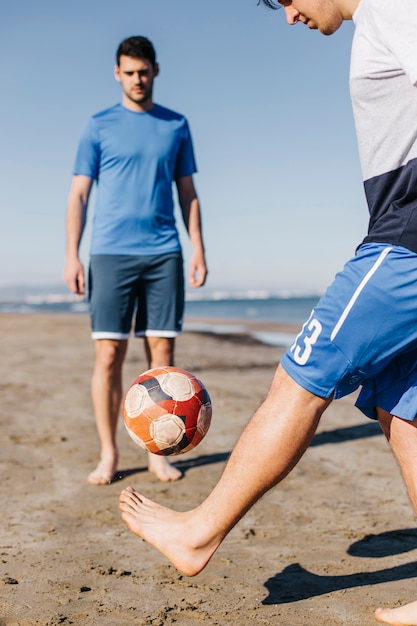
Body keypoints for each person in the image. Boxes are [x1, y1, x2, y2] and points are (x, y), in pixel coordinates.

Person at [119, 1, 417, 624]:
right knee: (402, 408)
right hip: (398, 230)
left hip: (405, 241)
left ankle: (198, 533)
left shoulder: (396, 9)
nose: (289, 16)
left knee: (300, 378)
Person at [64, 36, 207, 486]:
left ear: (155, 71)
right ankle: (108, 453)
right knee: (109, 355)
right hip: (109, 254)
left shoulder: (176, 125)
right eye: (128, 72)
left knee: (161, 358)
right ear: (117, 74)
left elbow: (188, 192)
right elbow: (80, 194)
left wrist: (198, 247)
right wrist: (72, 254)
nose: (137, 79)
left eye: (143, 71)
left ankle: (157, 453)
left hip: (164, 253)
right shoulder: (98, 126)